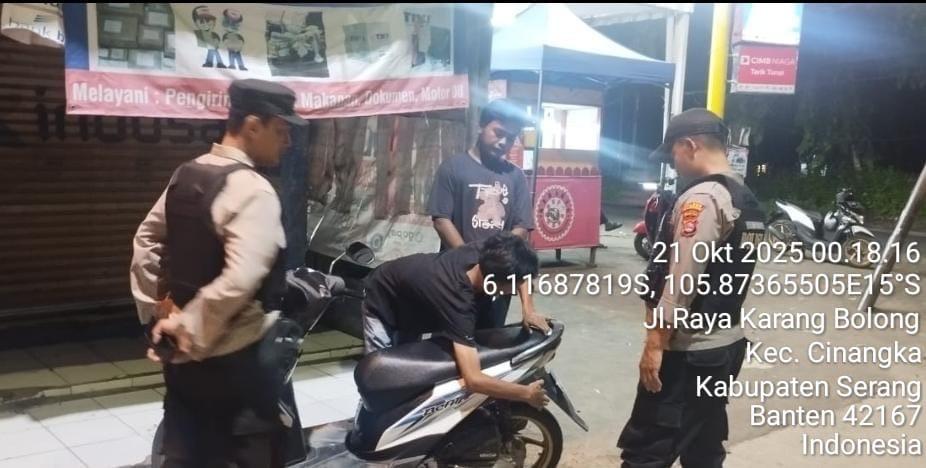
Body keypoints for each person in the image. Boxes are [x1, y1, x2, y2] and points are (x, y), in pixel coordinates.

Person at [130, 79, 307, 468]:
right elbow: (242, 277)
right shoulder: (253, 190)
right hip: (237, 371)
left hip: (182, 367)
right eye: (281, 131)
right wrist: (191, 330)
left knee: (185, 454)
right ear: (253, 126)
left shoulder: (187, 173)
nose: (288, 142)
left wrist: (157, 315)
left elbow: (146, 242)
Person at [617, 109, 765, 468]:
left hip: (689, 353)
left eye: (674, 154)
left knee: (647, 449)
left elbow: (683, 279)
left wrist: (655, 343)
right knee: (702, 446)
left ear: (689, 145)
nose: (673, 163)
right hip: (725, 346)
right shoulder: (746, 198)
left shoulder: (704, 198)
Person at [361, 232, 549, 409]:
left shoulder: (491, 252)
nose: (513, 291)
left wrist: (529, 310)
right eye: (510, 288)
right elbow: (473, 379)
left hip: (413, 303)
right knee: (381, 380)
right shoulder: (458, 301)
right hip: (382, 299)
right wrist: (526, 393)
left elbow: (521, 273)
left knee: (409, 375)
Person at [427, 99, 547, 332]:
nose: (504, 142)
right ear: (481, 126)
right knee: (447, 343)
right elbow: (441, 220)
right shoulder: (453, 168)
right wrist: (473, 262)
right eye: (498, 133)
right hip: (457, 278)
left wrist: (498, 265)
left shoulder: (515, 177)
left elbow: (521, 229)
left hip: (497, 282)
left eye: (510, 138)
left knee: (490, 340)